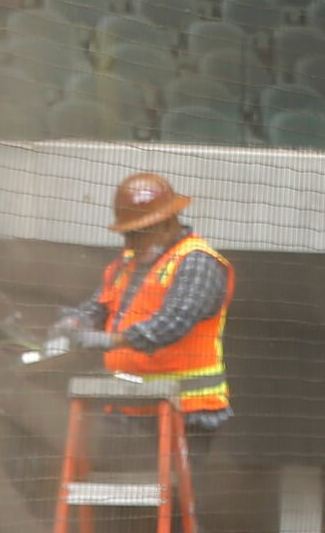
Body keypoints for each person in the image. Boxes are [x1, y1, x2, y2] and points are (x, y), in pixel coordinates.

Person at [51, 171, 233, 439]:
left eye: (138, 234)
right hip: (130, 407)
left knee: (170, 483)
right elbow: (98, 307)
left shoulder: (196, 262)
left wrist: (108, 341)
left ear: (167, 223)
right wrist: (76, 322)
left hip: (185, 413)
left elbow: (171, 325)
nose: (130, 244)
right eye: (127, 235)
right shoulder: (127, 263)